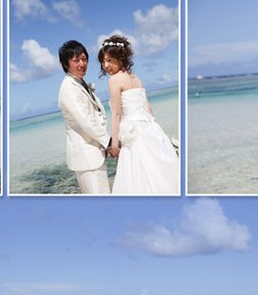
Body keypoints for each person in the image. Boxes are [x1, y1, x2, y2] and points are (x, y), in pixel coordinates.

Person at [98, 35, 179, 195]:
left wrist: (114, 144)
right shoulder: (136, 78)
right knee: (158, 172)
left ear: (121, 58)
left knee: (136, 178)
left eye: (110, 60)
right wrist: (157, 132)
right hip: (150, 129)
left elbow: (116, 114)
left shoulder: (114, 80)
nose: (106, 65)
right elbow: (147, 107)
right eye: (103, 61)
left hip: (133, 135)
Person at [58, 40, 112, 194]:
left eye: (84, 59)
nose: (82, 64)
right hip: (87, 159)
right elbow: (85, 120)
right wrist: (108, 142)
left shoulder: (80, 83)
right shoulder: (68, 88)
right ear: (66, 64)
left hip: (94, 154)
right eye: (76, 60)